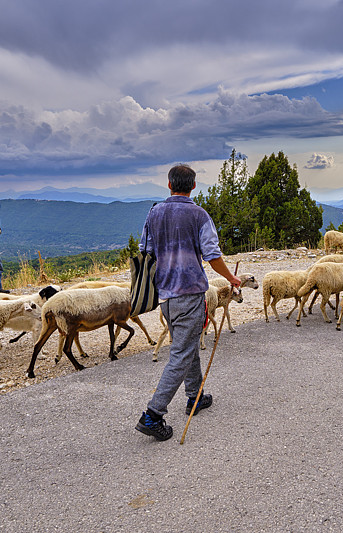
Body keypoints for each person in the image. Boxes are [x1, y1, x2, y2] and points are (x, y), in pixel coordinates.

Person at [135, 164, 241, 441]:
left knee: (188, 342)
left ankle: (195, 396)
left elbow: (144, 250)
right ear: (193, 186)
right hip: (191, 293)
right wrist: (231, 278)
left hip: (165, 295)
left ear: (169, 184)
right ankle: (152, 415)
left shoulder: (154, 213)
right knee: (181, 353)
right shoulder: (199, 215)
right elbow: (212, 254)